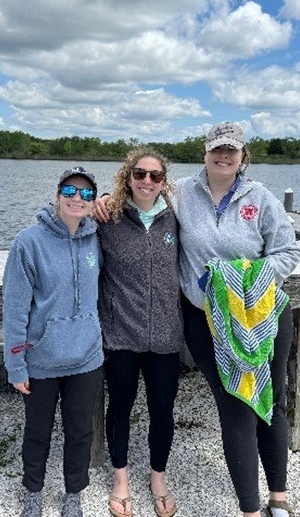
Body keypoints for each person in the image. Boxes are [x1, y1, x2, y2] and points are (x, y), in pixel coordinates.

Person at [95, 122, 300, 517]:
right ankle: (249, 508)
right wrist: (106, 197)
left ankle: (278, 495)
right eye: (216, 150)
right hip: (207, 320)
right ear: (205, 153)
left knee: (273, 401)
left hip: (262, 316)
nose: (223, 157)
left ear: (243, 156)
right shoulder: (181, 193)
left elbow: (288, 253)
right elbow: (141, 194)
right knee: (235, 404)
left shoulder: (261, 198)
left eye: (231, 150)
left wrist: (243, 281)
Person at [3, 167, 104, 517]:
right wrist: (15, 365)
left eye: (87, 194)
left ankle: (73, 493)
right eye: (70, 190)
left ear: (94, 201)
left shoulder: (97, 239)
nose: (78, 198)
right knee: (37, 433)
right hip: (41, 359)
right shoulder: (28, 242)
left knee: (79, 432)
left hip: (87, 358)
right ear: (57, 193)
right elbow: (15, 310)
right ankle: (33, 491)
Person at [97, 149, 183, 517]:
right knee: (119, 408)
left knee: (162, 410)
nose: (147, 181)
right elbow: (62, 215)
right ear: (127, 176)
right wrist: (98, 199)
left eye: (155, 176)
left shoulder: (176, 218)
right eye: (140, 173)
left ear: (164, 182)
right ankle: (120, 478)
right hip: (121, 336)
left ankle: (158, 476)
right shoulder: (108, 217)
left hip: (166, 336)